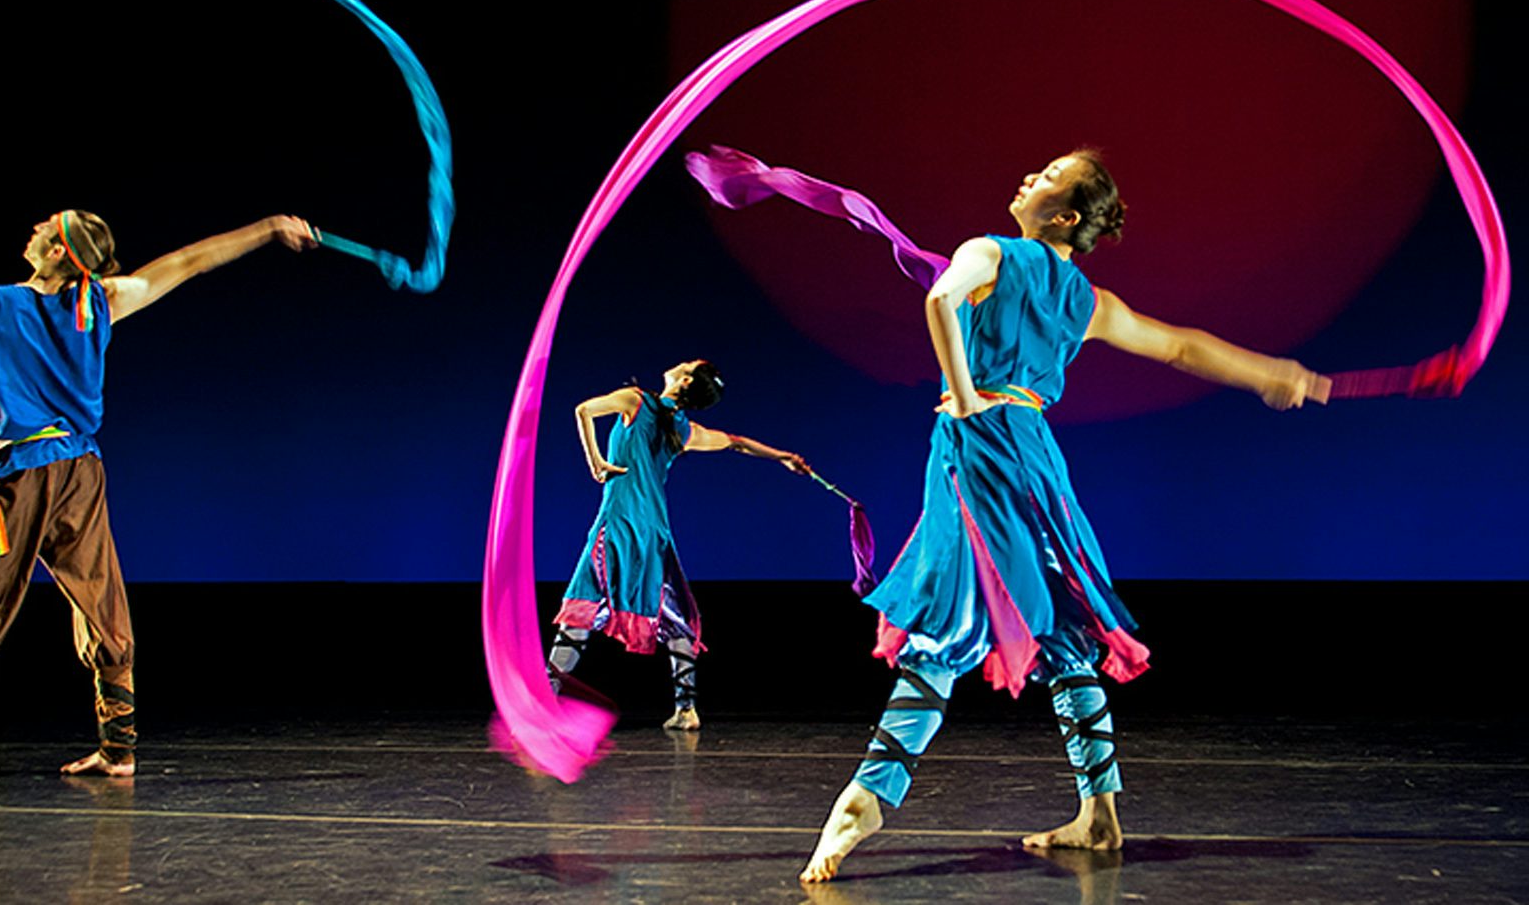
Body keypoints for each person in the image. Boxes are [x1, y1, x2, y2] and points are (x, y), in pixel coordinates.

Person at [800, 151, 1326, 881]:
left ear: (1067, 215)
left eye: (1047, 176)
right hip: (1034, 450)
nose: (1028, 177)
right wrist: (1267, 372)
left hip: (980, 444)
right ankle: (1099, 814)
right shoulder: (1087, 300)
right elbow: (1178, 346)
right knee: (1055, 621)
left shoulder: (989, 252)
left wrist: (965, 394)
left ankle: (869, 794)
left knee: (948, 614)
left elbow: (940, 300)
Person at [0, 209, 317, 793]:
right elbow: (190, 262)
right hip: (80, 472)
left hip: (19, 475)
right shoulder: (98, 302)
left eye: (48, 225)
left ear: (60, 250)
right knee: (99, 597)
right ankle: (119, 747)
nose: (36, 226)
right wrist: (268, 229)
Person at [549, 360, 811, 731]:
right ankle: (687, 709)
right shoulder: (683, 429)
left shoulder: (635, 400)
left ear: (685, 379)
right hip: (655, 530)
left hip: (620, 522)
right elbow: (736, 442)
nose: (680, 363)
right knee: (674, 617)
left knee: (582, 608)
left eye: (687, 364)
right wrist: (783, 456)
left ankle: (544, 700)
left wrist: (597, 462)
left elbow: (583, 410)